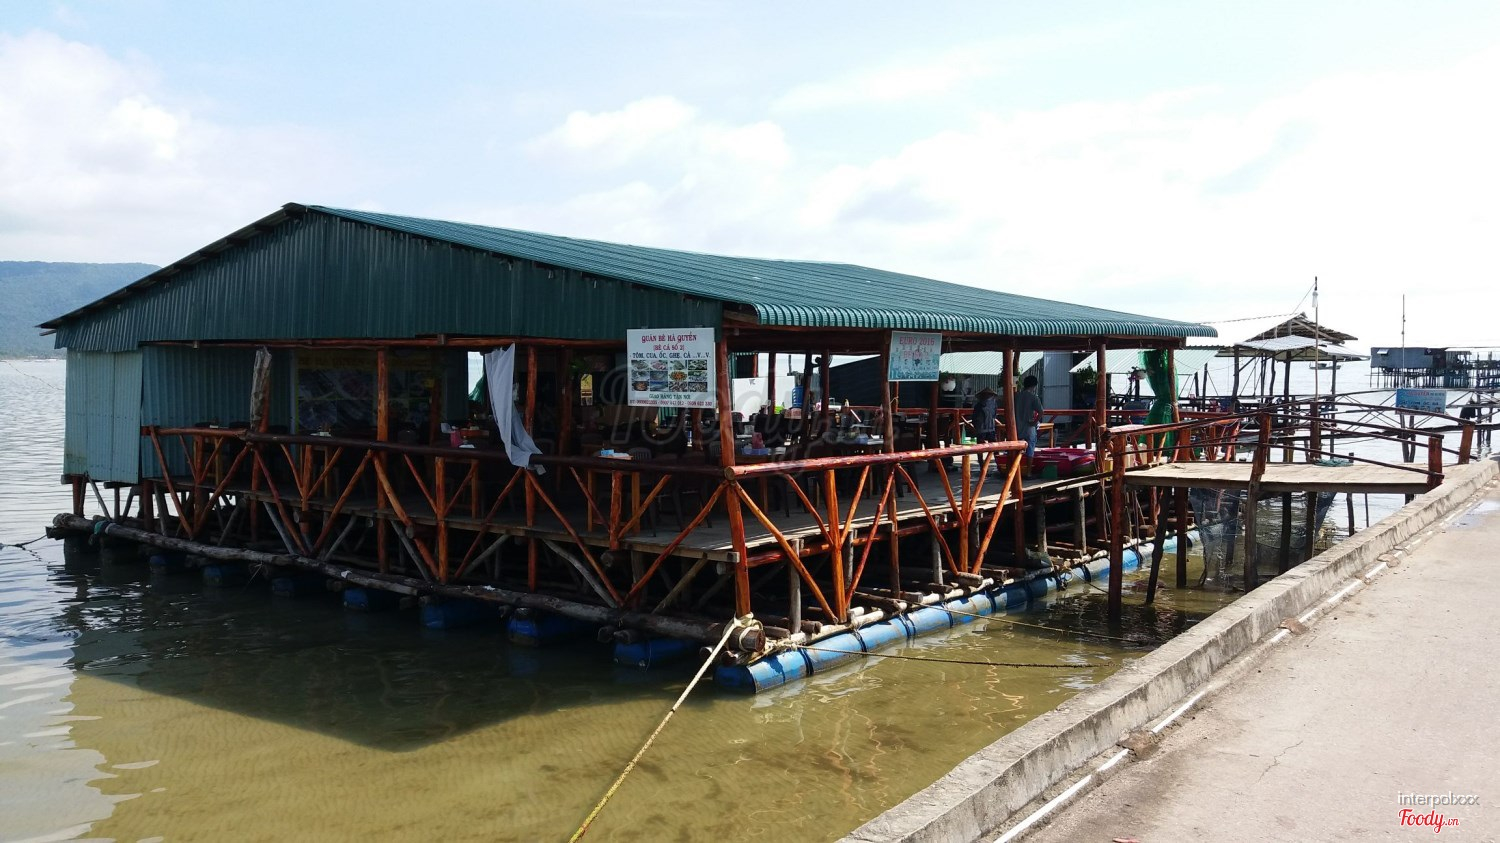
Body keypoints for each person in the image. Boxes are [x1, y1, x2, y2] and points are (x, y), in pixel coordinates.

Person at [1015, 375, 1044, 457]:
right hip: (1028, 426)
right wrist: (1034, 422)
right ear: (1034, 386)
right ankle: (1029, 465)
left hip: (1016, 426)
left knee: (1016, 449)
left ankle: (1017, 463)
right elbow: (1041, 412)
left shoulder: (1016, 396)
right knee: (1030, 448)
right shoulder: (1033, 397)